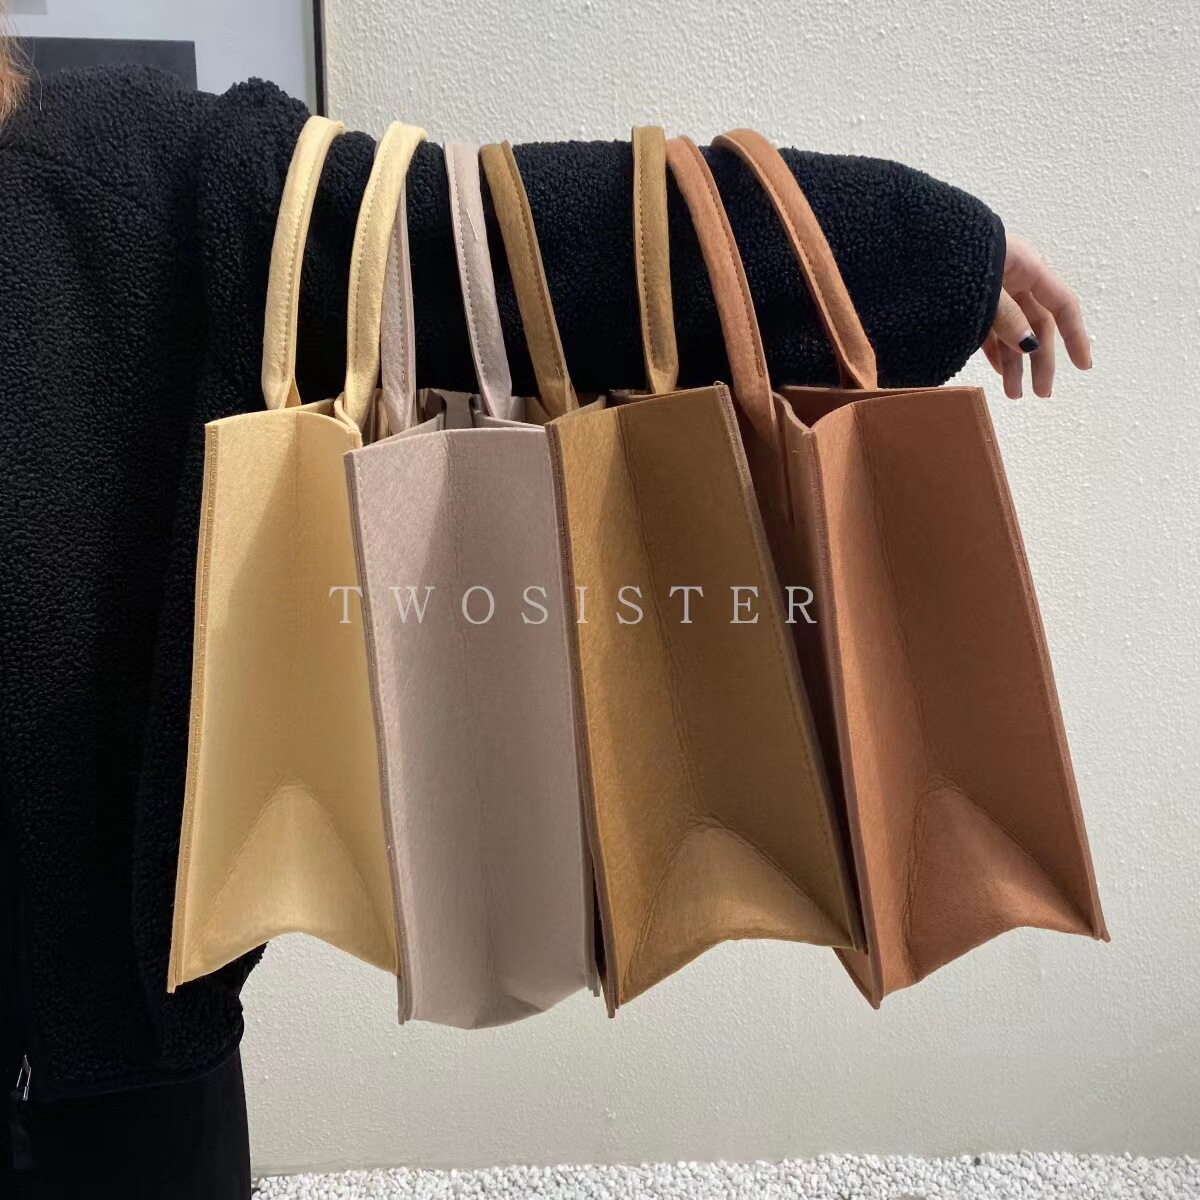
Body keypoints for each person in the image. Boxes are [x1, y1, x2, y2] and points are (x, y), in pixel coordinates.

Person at [0, 33, 1090, 1199]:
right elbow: (484, 236)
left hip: (88, 1045)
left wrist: (924, 256)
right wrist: (937, 257)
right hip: (94, 1049)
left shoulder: (102, 179)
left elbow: (490, 240)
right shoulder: (107, 178)